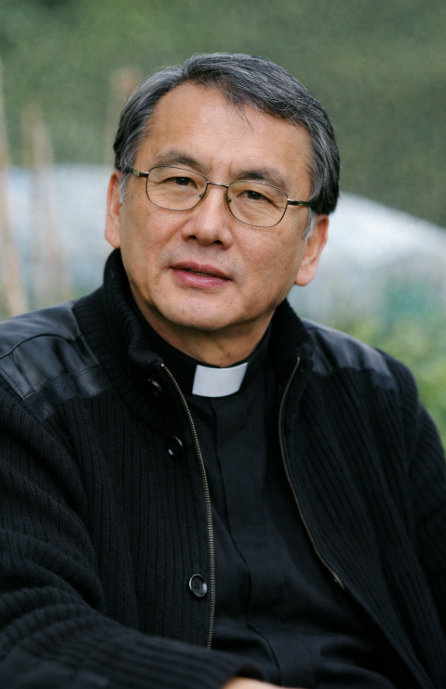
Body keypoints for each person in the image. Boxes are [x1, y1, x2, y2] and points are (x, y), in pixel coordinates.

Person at [0, 53, 445, 689]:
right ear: (116, 205)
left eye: (256, 196)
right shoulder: (22, 391)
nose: (208, 227)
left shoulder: (373, 394)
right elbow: (22, 631)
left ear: (312, 246)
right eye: (179, 181)